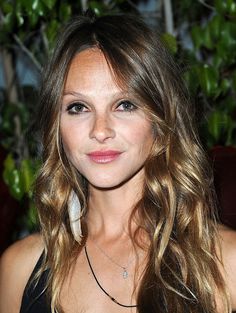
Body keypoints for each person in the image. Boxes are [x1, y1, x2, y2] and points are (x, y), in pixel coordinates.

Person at [0, 12, 236, 313]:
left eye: (124, 105)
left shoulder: (225, 264)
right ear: (55, 126)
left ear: (160, 118)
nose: (100, 131)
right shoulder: (17, 270)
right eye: (78, 107)